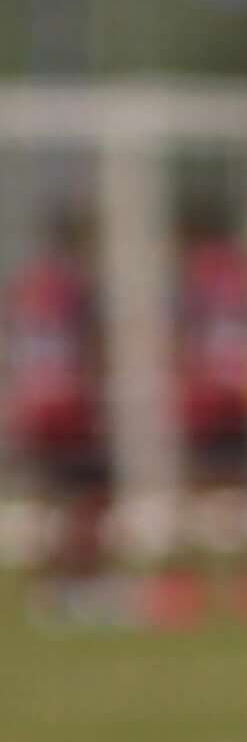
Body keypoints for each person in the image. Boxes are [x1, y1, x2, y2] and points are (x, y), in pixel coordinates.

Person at [170, 219, 247, 617]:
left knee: (203, 493)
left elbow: (182, 337)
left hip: (209, 399)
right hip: (235, 395)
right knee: (246, 493)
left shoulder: (196, 276)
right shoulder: (242, 275)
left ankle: (186, 591)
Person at [12, 213, 111, 613]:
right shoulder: (77, 289)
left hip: (35, 405)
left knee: (49, 500)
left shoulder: (26, 288)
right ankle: (79, 582)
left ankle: (50, 588)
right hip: (69, 406)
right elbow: (90, 348)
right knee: (87, 499)